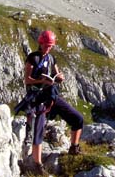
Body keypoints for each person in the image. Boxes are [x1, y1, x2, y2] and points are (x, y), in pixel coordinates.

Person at [22, 30, 84, 171]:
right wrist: (41, 80)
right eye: (46, 45)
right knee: (38, 131)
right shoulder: (33, 58)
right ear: (40, 43)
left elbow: (57, 73)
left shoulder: (51, 58)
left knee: (77, 119)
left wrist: (59, 77)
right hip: (37, 99)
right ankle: (37, 165)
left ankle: (74, 147)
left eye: (50, 45)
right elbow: (27, 79)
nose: (48, 48)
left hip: (51, 96)